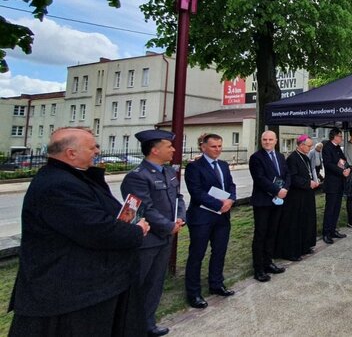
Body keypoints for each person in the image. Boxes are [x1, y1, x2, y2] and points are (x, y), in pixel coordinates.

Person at [9, 127, 150, 336]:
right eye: (92, 147)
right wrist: (136, 231)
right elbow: (96, 230)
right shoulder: (58, 185)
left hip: (88, 287)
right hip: (69, 294)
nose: (97, 151)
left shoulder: (73, 177)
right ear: (71, 153)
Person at [120, 129, 186, 337]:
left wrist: (180, 218)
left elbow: (178, 198)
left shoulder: (168, 172)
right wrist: (167, 226)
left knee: (155, 283)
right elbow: (144, 208)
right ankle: (129, 326)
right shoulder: (137, 177)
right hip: (148, 240)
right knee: (139, 284)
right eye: (169, 146)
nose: (173, 149)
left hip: (165, 238)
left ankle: (148, 323)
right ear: (155, 150)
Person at [184, 133, 237, 308]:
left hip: (222, 217)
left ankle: (216, 283)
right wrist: (218, 204)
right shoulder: (194, 167)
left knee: (219, 251)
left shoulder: (223, 165)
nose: (218, 150)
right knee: (197, 255)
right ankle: (194, 293)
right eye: (214, 146)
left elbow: (230, 185)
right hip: (202, 217)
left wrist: (231, 199)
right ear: (203, 147)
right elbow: (196, 192)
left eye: (220, 146)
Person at [249, 130, 289, 281]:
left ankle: (268, 262)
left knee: (272, 232)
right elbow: (259, 179)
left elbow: (287, 174)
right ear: (261, 141)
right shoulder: (256, 158)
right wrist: (277, 190)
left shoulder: (280, 156)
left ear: (276, 141)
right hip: (263, 201)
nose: (267, 142)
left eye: (270, 139)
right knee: (261, 234)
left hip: (278, 200)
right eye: (264, 139)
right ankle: (258, 269)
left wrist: (285, 189)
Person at [275, 135, 320, 261]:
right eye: (309, 146)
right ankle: (292, 251)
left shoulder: (305, 157)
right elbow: (293, 178)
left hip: (306, 194)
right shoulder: (292, 158)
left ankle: (304, 246)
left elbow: (308, 172)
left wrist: (313, 181)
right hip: (296, 197)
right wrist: (308, 183)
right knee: (295, 223)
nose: (310, 148)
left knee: (306, 221)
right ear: (301, 145)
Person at [321, 128, 351, 244]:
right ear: (334, 136)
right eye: (340, 136)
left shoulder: (338, 147)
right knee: (330, 209)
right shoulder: (327, 147)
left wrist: (347, 168)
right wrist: (341, 171)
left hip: (340, 183)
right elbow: (328, 164)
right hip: (332, 183)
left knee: (337, 208)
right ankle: (326, 233)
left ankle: (333, 230)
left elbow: (343, 159)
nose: (341, 138)